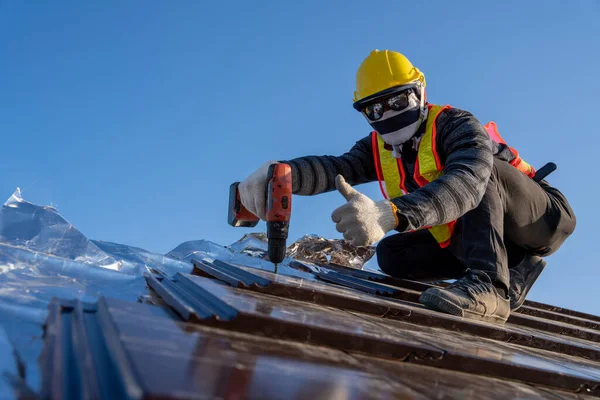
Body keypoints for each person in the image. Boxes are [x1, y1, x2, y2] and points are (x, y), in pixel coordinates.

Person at [238, 49, 576, 324]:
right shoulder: (377, 148)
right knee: (392, 255)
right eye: (375, 107)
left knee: (480, 174)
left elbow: (468, 183)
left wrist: (388, 214)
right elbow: (336, 168)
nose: (388, 112)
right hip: (487, 233)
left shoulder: (455, 125)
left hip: (542, 219)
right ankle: (516, 267)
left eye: (399, 101)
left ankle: (490, 286)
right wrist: (281, 173)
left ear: (420, 92)